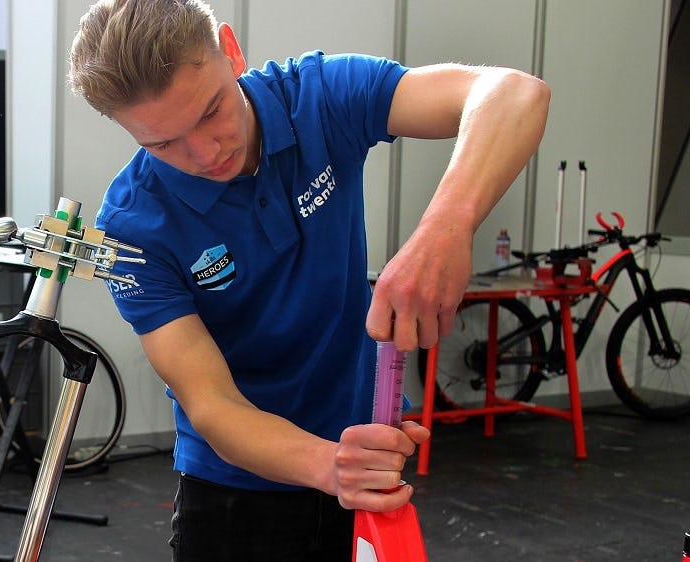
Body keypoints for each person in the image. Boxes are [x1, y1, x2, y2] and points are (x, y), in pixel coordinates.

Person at [69, 1, 550, 559]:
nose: (204, 152)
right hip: (235, 493)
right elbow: (213, 404)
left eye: (210, 111)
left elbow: (515, 94)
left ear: (231, 51)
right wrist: (331, 464)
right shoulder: (132, 227)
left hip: (360, 463)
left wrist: (446, 230)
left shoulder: (317, 99)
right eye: (161, 143)